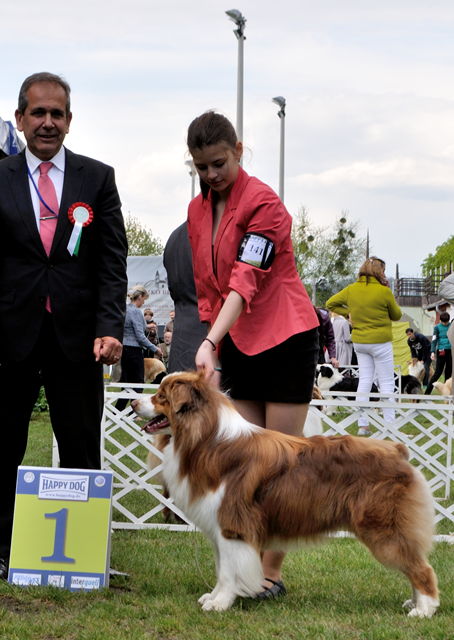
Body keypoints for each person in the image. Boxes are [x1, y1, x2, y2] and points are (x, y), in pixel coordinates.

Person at [0, 72, 128, 580]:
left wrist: (110, 326)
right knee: (3, 446)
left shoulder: (97, 179)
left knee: (81, 443)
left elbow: (111, 262)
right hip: (8, 341)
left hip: (79, 340)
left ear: (70, 121)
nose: (48, 122)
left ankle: (80, 552)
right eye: (38, 112)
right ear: (20, 119)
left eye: (58, 113)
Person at [186, 110, 319, 601]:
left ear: (238, 150)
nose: (212, 175)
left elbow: (245, 279)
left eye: (219, 163)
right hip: (237, 343)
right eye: (202, 167)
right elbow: (209, 288)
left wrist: (209, 342)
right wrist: (214, 350)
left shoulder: (265, 202)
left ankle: (270, 575)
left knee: (282, 468)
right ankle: (240, 572)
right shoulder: (197, 212)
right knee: (242, 468)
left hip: (285, 337)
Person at [327, 257, 402, 435]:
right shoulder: (384, 291)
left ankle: (363, 425)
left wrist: (349, 313)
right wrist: (387, 292)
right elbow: (397, 315)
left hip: (360, 342)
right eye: (383, 270)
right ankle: (389, 426)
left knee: (365, 381)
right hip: (380, 342)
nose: (384, 274)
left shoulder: (352, 289)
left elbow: (330, 303)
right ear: (378, 272)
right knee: (386, 383)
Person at [163, 221, 208, 373]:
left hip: (180, 344)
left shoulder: (174, 237)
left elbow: (172, 288)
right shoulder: (213, 229)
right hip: (209, 337)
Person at [115, 286, 162, 411]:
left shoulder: (125, 309)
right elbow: (140, 337)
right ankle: (134, 413)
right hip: (134, 350)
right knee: (138, 382)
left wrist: (146, 327)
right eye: (144, 299)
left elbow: (131, 329)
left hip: (124, 349)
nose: (143, 303)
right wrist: (155, 349)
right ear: (140, 297)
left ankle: (118, 412)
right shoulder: (135, 311)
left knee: (126, 383)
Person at [425, 312, 452, 395]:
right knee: (438, 372)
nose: (446, 323)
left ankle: (447, 393)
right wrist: (432, 352)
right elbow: (434, 341)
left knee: (449, 372)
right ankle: (427, 393)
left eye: (447, 322)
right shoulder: (437, 328)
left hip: (450, 350)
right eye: (444, 322)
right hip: (441, 351)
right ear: (441, 321)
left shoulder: (451, 325)